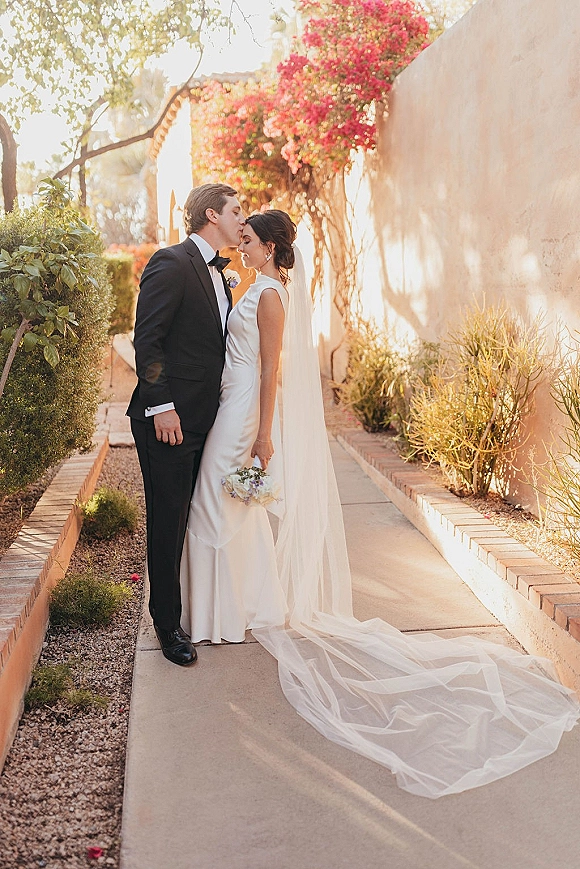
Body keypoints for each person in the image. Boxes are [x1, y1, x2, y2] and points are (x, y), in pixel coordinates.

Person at [180, 209, 580, 798]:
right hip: (229, 402)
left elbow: (272, 374)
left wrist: (264, 434)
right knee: (230, 511)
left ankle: (222, 613)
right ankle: (235, 611)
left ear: (268, 248)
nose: (240, 245)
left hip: (244, 413)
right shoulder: (255, 285)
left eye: (247, 240)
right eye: (239, 237)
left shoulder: (269, 297)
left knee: (213, 509)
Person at [127, 183, 246, 666]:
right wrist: (162, 407)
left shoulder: (223, 273)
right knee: (168, 522)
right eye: (238, 211)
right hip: (169, 421)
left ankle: (189, 608)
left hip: (205, 419)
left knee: (192, 518)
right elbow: (147, 340)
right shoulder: (172, 262)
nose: (244, 220)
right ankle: (166, 625)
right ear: (212, 215)